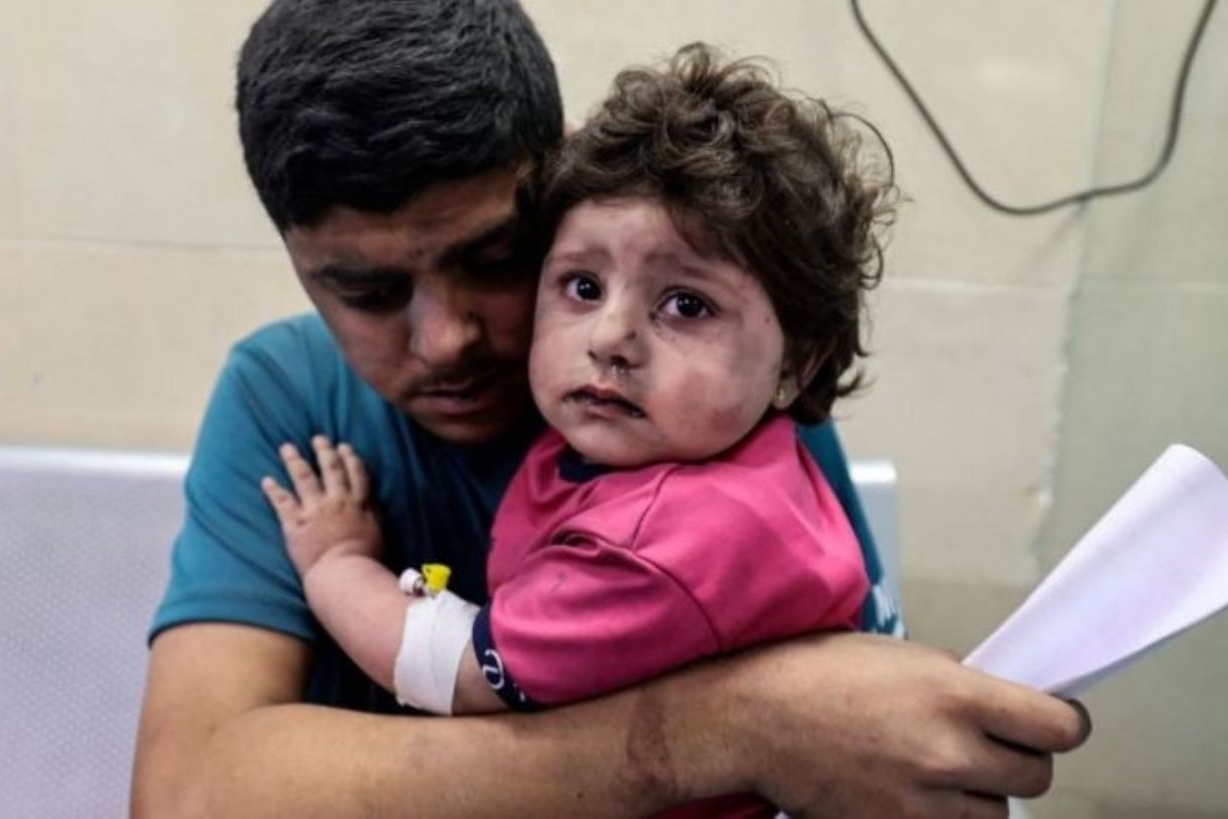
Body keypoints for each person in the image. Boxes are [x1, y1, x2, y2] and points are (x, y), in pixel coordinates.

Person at [129, 1, 1090, 817]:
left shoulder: (720, 416)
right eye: (368, 292)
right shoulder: (288, 397)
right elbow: (186, 794)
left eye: (496, 260)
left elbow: (864, 727)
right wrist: (736, 726)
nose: (446, 338)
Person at [259, 43, 892, 818]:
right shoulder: (680, 443)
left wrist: (334, 560)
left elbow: (445, 665)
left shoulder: (673, 542)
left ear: (796, 361)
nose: (610, 336)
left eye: (686, 304)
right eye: (583, 285)